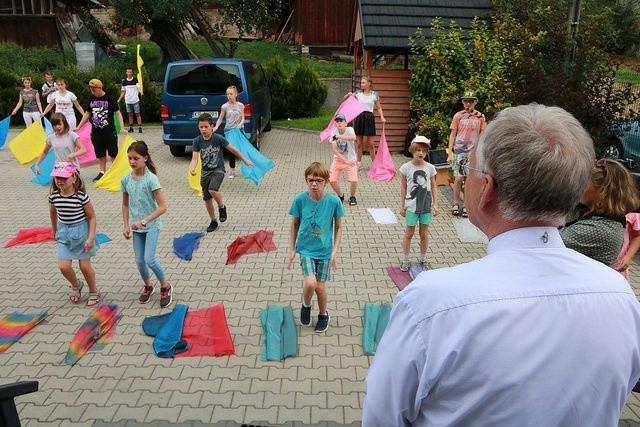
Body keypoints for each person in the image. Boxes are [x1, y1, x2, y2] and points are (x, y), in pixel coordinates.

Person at [363, 104, 640, 426]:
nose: (464, 177)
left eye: (470, 170)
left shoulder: (430, 304)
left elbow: (383, 418)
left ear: (487, 189)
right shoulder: (622, 298)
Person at [287, 162, 344, 333]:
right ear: (306, 180)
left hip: (324, 251)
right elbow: (294, 224)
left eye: (318, 181)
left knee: (320, 287)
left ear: (326, 182)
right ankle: (306, 305)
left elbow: (339, 227)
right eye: (310, 180)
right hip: (305, 249)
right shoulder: (300, 199)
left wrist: (334, 252)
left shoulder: (334, 202)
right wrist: (291, 249)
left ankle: (322, 314)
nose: (314, 184)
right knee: (311, 283)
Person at [560, 158, 640, 268]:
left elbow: (548, 240)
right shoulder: (586, 209)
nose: (580, 186)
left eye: (585, 182)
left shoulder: (603, 229)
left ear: (602, 191)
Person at [121, 141, 172, 308]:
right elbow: (125, 204)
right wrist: (126, 225)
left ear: (145, 158)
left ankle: (165, 286)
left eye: (135, 158)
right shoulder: (125, 179)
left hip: (151, 225)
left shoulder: (151, 179)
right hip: (137, 228)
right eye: (129, 158)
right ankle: (148, 285)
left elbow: (163, 207)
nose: (132, 162)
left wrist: (143, 221)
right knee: (139, 260)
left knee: (149, 259)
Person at [189, 113, 254, 232]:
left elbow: (233, 149)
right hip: (205, 172)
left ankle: (221, 207)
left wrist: (245, 160)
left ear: (211, 126)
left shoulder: (218, 138)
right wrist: (192, 168)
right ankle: (213, 221)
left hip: (218, 170)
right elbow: (194, 158)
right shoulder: (197, 141)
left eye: (206, 127)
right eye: (201, 127)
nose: (203, 129)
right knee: (207, 198)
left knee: (212, 189)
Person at [48, 161, 101, 306]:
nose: (60, 181)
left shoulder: (81, 197)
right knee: (63, 266)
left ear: (74, 178)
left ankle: (93, 290)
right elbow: (52, 212)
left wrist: (90, 238)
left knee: (84, 266)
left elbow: (92, 217)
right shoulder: (54, 196)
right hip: (63, 233)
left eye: (63, 178)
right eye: (57, 178)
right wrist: (54, 229)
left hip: (81, 233)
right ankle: (76, 285)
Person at [398, 135, 438, 272]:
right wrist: (402, 205)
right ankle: (405, 259)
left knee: (424, 233)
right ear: (413, 150)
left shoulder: (431, 168)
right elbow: (403, 187)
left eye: (424, 150)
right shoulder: (405, 168)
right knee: (409, 233)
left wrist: (436, 204)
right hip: (411, 206)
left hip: (426, 206)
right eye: (418, 150)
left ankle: (423, 258)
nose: (421, 153)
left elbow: (433, 186)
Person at [76, 78, 127, 182]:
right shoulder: (91, 99)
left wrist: (122, 128)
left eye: (94, 89)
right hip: (96, 131)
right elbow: (87, 113)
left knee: (113, 152)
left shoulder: (110, 99)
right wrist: (79, 127)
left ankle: (116, 171)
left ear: (100, 88)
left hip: (109, 131)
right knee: (100, 152)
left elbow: (118, 113)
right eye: (91, 89)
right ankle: (102, 172)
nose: (92, 91)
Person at [447, 89, 486, 218]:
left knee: (469, 179)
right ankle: (455, 203)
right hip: (459, 150)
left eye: (470, 101)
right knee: (458, 178)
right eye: (465, 101)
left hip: (472, 152)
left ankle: (467, 205)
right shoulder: (458, 116)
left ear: (475, 102)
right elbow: (453, 134)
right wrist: (450, 153)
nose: (468, 104)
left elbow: (483, 135)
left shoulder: (480, 117)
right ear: (463, 102)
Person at [344, 76, 386, 169]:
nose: (361, 84)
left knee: (371, 144)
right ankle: (358, 163)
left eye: (363, 82)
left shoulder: (375, 94)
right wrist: (348, 95)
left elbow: (379, 107)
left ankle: (374, 165)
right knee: (359, 144)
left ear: (369, 83)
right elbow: (345, 99)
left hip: (369, 118)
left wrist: (382, 117)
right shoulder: (358, 93)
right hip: (359, 118)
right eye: (361, 83)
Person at [328, 113, 358, 206]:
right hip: (338, 160)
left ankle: (352, 196)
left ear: (345, 123)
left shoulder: (350, 129)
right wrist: (346, 161)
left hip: (351, 160)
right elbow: (335, 150)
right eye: (337, 121)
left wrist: (340, 137)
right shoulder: (333, 133)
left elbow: (354, 137)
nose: (339, 123)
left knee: (354, 180)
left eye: (341, 121)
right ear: (335, 124)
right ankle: (340, 196)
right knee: (331, 180)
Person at [212, 85, 243, 178]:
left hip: (239, 131)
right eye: (227, 94)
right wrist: (216, 127)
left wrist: (240, 124)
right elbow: (220, 118)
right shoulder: (225, 106)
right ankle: (232, 171)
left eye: (231, 94)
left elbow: (243, 118)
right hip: (229, 131)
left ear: (236, 94)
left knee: (243, 150)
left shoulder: (240, 105)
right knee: (232, 151)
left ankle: (248, 167)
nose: (229, 96)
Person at [117, 66, 143, 133]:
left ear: (132, 73)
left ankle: (140, 127)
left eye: (130, 72)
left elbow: (138, 88)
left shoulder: (135, 80)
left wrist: (140, 92)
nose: (129, 73)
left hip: (135, 100)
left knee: (137, 114)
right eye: (128, 72)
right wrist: (119, 99)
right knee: (130, 114)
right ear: (126, 73)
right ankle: (131, 128)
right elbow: (123, 91)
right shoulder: (124, 82)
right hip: (128, 100)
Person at [615, 212, 640, 280]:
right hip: (595, 260)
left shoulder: (632, 211)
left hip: (619, 264)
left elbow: (637, 236)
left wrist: (628, 257)